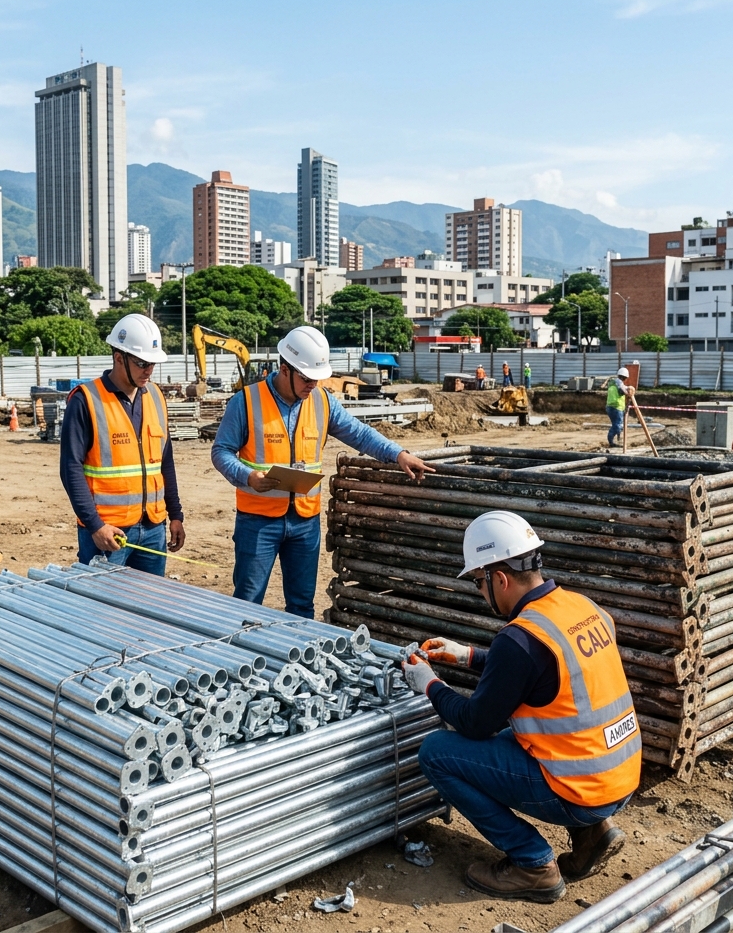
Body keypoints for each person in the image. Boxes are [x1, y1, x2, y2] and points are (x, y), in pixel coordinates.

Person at [403, 511, 641, 903]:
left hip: (579, 790)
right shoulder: (582, 608)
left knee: (437, 752)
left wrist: (429, 684)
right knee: (523, 733)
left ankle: (532, 865)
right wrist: (469, 656)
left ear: (499, 578)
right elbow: (540, 674)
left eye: (479, 582)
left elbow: (474, 723)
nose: (481, 591)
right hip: (618, 775)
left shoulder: (520, 639)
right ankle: (594, 833)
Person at [212, 326, 433, 618]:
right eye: (306, 378)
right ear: (284, 368)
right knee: (248, 603)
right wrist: (247, 476)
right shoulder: (246, 402)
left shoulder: (322, 401)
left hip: (305, 522)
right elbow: (221, 452)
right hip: (258, 522)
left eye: (317, 379)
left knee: (302, 605)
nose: (312, 385)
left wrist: (398, 454)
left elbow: (360, 434)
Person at [59, 314, 185, 576]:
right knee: (101, 611)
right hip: (108, 533)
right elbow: (71, 469)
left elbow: (165, 463)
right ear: (119, 358)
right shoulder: (86, 401)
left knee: (148, 608)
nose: (148, 370)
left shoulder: (156, 397)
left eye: (153, 363)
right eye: (142, 363)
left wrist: (175, 514)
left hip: (153, 528)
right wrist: (95, 526)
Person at [606, 367, 634, 449]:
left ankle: (616, 438)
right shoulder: (618, 382)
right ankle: (611, 441)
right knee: (618, 425)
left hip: (611, 407)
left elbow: (622, 387)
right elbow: (624, 390)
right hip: (616, 408)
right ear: (625, 377)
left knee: (616, 425)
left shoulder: (612, 382)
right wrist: (629, 392)